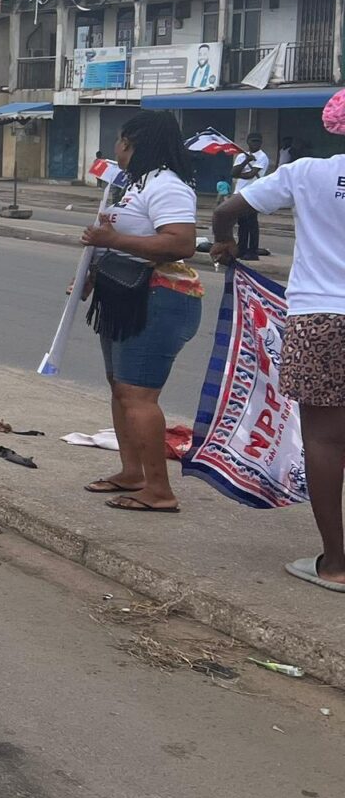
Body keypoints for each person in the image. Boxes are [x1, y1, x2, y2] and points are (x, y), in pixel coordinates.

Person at [211, 99, 345, 593]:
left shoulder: (307, 173)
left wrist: (226, 244)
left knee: (326, 440)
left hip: (318, 317)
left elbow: (227, 209)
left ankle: (335, 562)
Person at [78, 111, 203, 513]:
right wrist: (91, 272)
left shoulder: (168, 186)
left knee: (138, 395)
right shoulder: (134, 185)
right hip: (124, 296)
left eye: (119, 139)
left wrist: (113, 237)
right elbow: (118, 242)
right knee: (120, 387)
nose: (115, 147)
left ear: (132, 142)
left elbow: (181, 243)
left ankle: (159, 491)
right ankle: (131, 472)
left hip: (158, 298)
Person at [232, 132, 271, 259]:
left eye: (258, 141)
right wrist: (245, 162)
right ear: (248, 142)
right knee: (242, 223)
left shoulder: (262, 157)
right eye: (253, 141)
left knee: (252, 223)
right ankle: (241, 248)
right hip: (239, 192)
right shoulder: (241, 156)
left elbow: (251, 175)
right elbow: (233, 172)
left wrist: (239, 173)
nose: (256, 144)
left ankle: (253, 251)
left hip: (254, 193)